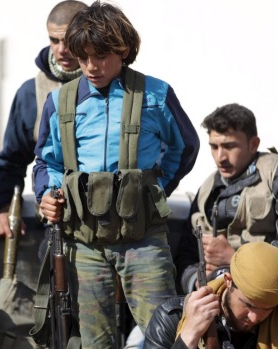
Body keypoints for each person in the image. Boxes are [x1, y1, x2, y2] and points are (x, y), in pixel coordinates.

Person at [33, 2, 200, 348]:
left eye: (101, 56)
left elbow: (185, 147)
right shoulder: (59, 102)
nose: (91, 67)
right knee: (95, 341)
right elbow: (47, 161)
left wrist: (156, 190)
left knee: (167, 333)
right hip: (85, 243)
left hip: (143, 239)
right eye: (83, 57)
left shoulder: (156, 94)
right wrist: (46, 196)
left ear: (123, 50)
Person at [181, 103, 278, 311]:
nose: (221, 157)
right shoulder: (207, 189)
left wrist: (234, 257)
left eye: (229, 146)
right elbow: (184, 254)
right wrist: (197, 280)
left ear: (253, 144)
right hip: (222, 298)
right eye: (214, 146)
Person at [0, 0, 87, 238]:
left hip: (117, 229)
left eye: (68, 40)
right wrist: (5, 207)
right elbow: (11, 161)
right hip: (56, 227)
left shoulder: (118, 87)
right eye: (54, 40)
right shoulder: (31, 93)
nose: (61, 49)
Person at [144, 241, 278, 349]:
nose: (254, 317)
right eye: (248, 304)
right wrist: (189, 336)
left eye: (267, 308)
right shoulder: (171, 320)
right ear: (228, 280)